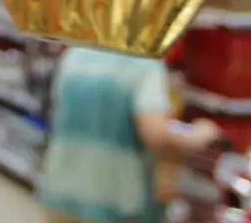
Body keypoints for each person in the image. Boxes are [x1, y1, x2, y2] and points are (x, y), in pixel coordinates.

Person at [39, 48, 224, 223]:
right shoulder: (143, 65)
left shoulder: (75, 54)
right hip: (113, 200)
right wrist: (197, 135)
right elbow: (154, 133)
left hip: (60, 189)